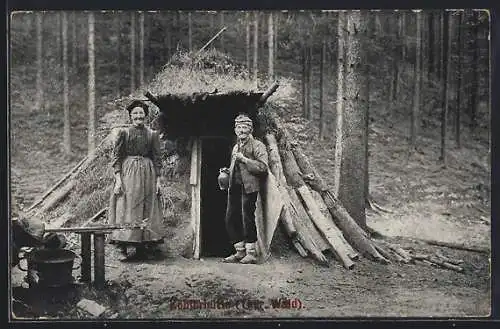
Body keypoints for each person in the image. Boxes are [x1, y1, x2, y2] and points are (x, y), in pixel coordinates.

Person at [108, 100, 165, 260]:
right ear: (131, 116)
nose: (138, 116)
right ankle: (122, 246)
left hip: (148, 173)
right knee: (126, 206)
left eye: (141, 113)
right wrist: (118, 180)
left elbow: (157, 158)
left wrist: (158, 181)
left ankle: (142, 246)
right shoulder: (124, 133)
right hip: (128, 174)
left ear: (145, 116)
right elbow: (117, 158)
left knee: (146, 207)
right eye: (135, 113)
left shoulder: (152, 134)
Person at [221, 114, 268, 264]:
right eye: (239, 127)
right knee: (230, 218)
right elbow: (235, 167)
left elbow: (263, 167)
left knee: (246, 218)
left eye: (245, 127)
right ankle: (240, 251)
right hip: (234, 187)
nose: (241, 130)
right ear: (235, 130)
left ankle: (251, 253)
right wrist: (227, 171)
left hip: (249, 188)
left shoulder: (258, 146)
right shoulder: (236, 147)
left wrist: (245, 159)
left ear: (250, 129)